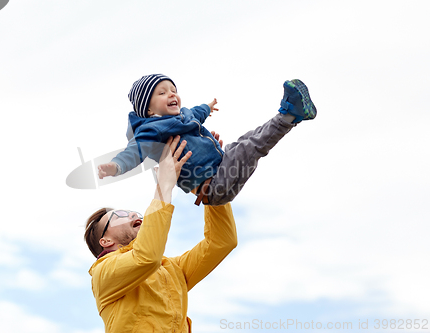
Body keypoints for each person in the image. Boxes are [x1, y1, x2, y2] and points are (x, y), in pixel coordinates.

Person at [85, 136, 237, 332]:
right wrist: (164, 184)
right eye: (119, 216)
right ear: (105, 241)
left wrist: (208, 187)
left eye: (133, 212)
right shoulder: (103, 273)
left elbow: (222, 241)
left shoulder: (172, 269)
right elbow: (147, 257)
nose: (131, 213)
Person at [98, 74, 317, 206]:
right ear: (148, 108)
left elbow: (196, 112)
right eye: (162, 93)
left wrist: (208, 107)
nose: (172, 94)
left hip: (220, 165)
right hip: (213, 186)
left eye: (173, 90)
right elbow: (133, 152)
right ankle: (290, 115)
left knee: (246, 139)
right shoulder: (150, 130)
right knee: (252, 147)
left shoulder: (182, 115)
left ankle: (289, 114)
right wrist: (115, 167)